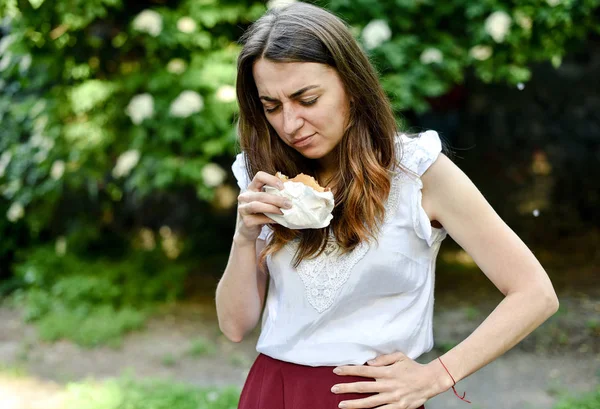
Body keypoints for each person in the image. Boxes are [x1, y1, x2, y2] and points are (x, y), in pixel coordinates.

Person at [215, 2, 559, 409]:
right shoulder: (265, 176)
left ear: (352, 85)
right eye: (271, 106)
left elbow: (535, 293)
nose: (290, 124)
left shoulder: (418, 172)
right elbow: (235, 327)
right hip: (274, 393)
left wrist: (436, 375)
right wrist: (244, 237)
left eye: (306, 99)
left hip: (374, 400)